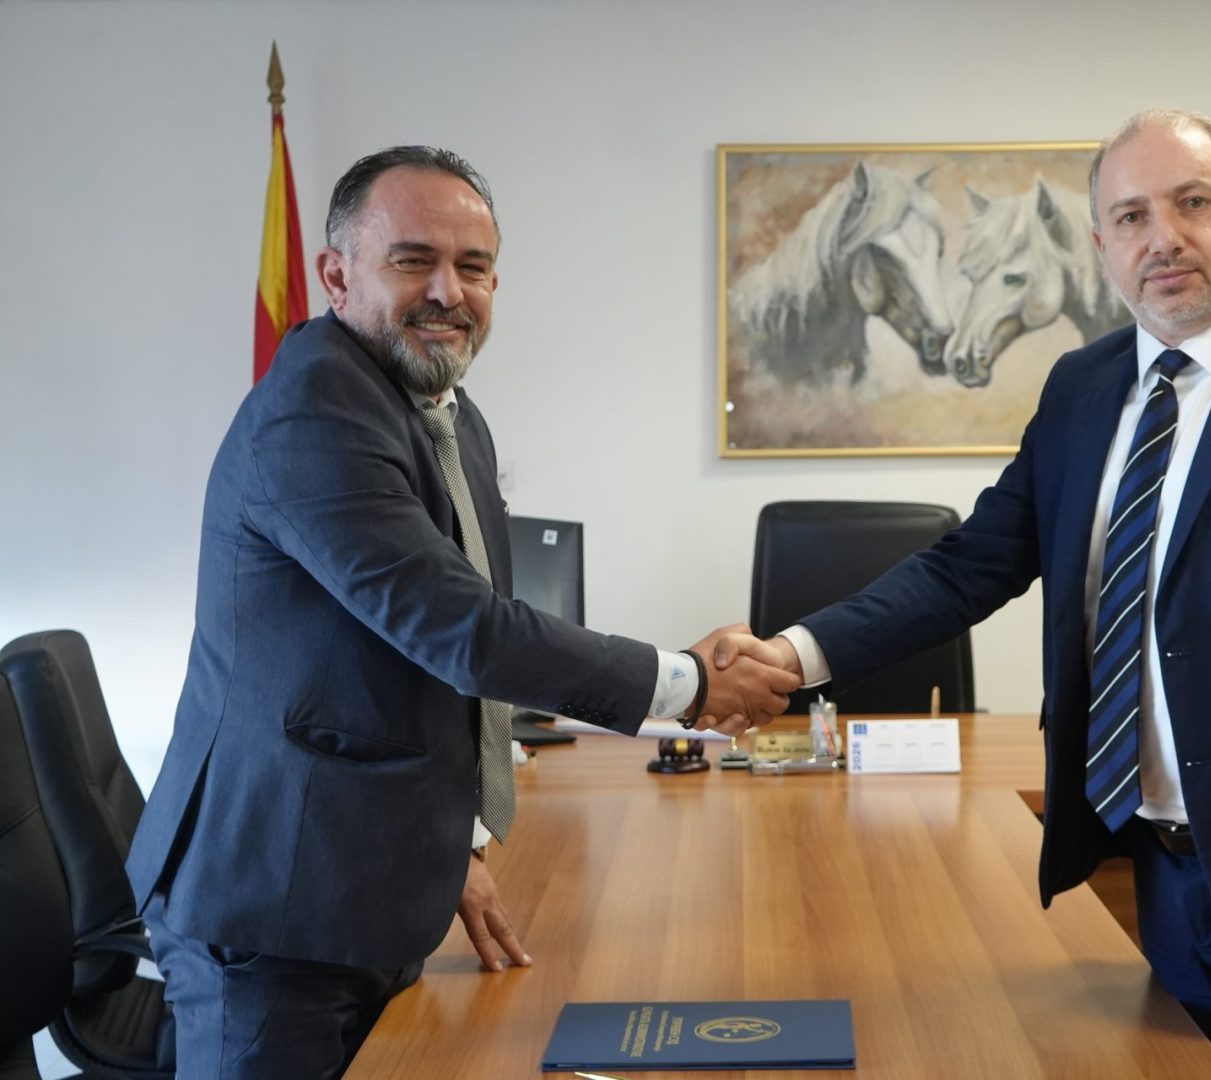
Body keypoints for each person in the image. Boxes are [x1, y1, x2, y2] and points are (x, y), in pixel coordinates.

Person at [720, 109, 1211, 1079]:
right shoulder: (1082, 388)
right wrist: (793, 656)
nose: (1162, 237)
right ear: (1100, 245)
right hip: (1159, 875)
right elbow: (968, 564)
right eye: (1130, 216)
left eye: (1192, 203)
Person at [124, 146, 800, 1079]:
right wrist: (684, 684)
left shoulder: (446, 409)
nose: (449, 291)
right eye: (414, 261)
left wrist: (460, 848)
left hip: (365, 882)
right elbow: (460, 631)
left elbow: (447, 650)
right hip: (273, 910)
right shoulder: (314, 409)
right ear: (336, 275)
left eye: (473, 267)